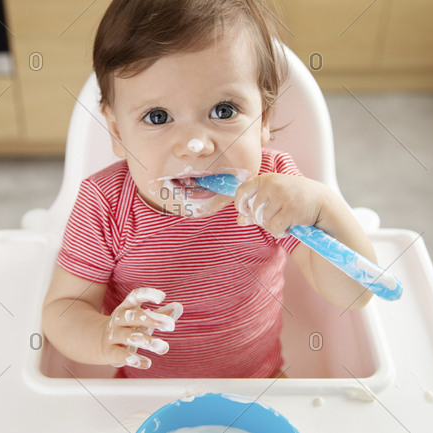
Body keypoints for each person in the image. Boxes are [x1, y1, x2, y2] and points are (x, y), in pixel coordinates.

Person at [41, 0, 377, 379]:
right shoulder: (105, 204)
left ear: (263, 118)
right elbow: (63, 309)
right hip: (143, 391)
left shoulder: (275, 193)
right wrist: (105, 336)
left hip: (260, 382)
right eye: (158, 117)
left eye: (223, 111)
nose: (195, 146)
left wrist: (323, 207)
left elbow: (355, 294)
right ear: (118, 132)